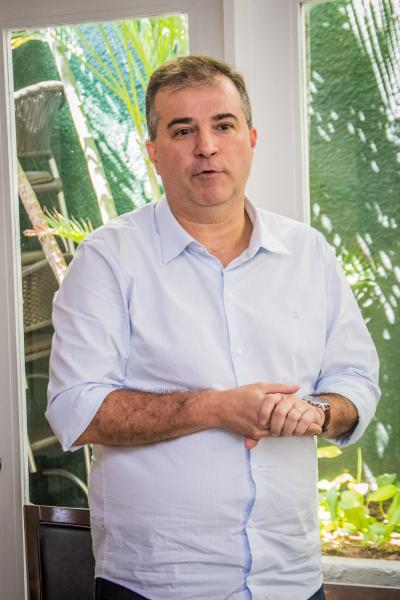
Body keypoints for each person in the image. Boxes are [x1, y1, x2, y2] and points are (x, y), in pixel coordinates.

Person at [46, 55, 380, 600]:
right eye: (183, 130)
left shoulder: (308, 253)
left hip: (291, 579)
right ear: (154, 152)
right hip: (158, 583)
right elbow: (75, 409)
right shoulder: (108, 259)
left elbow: (356, 381)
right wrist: (219, 408)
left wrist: (318, 412)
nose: (207, 146)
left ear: (250, 138)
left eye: (223, 125)